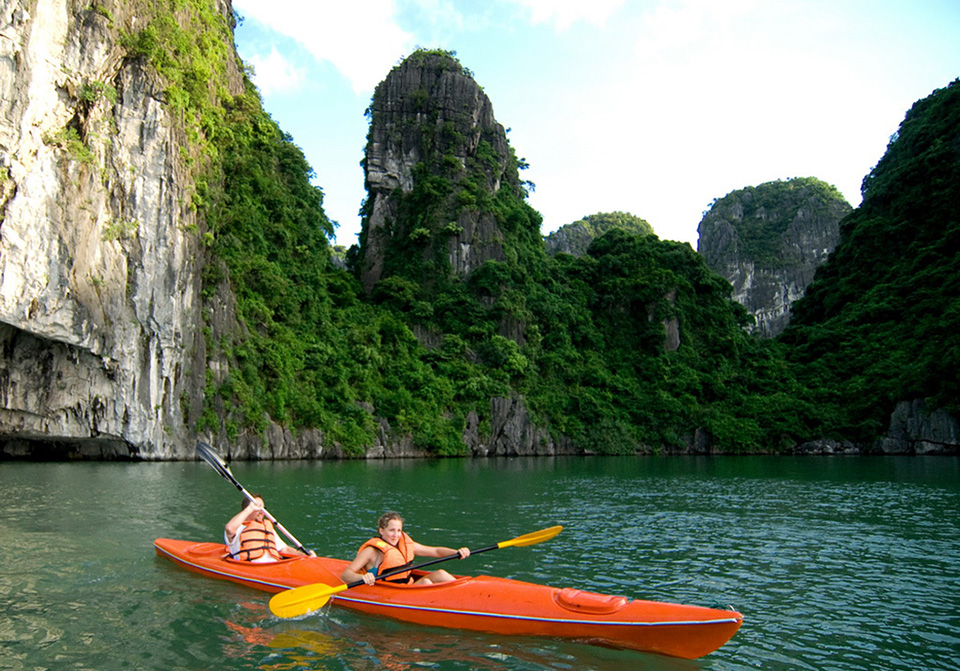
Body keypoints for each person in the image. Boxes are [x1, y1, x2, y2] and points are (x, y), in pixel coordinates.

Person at [341, 512, 470, 585]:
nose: (396, 535)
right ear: (381, 531)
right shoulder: (371, 551)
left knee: (441, 573)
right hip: (392, 591)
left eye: (399, 530)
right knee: (426, 583)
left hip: (409, 586)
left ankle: (466, 593)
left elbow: (436, 551)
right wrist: (363, 578)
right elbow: (346, 575)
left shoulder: (406, 545)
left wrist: (457, 552)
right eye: (391, 530)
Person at [224, 494, 315, 562]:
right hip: (251, 567)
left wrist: (304, 555)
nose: (262, 512)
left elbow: (284, 549)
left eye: (263, 509)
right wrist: (250, 508)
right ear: (247, 509)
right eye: (258, 508)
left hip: (274, 565)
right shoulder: (238, 527)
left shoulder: (267, 527)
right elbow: (229, 529)